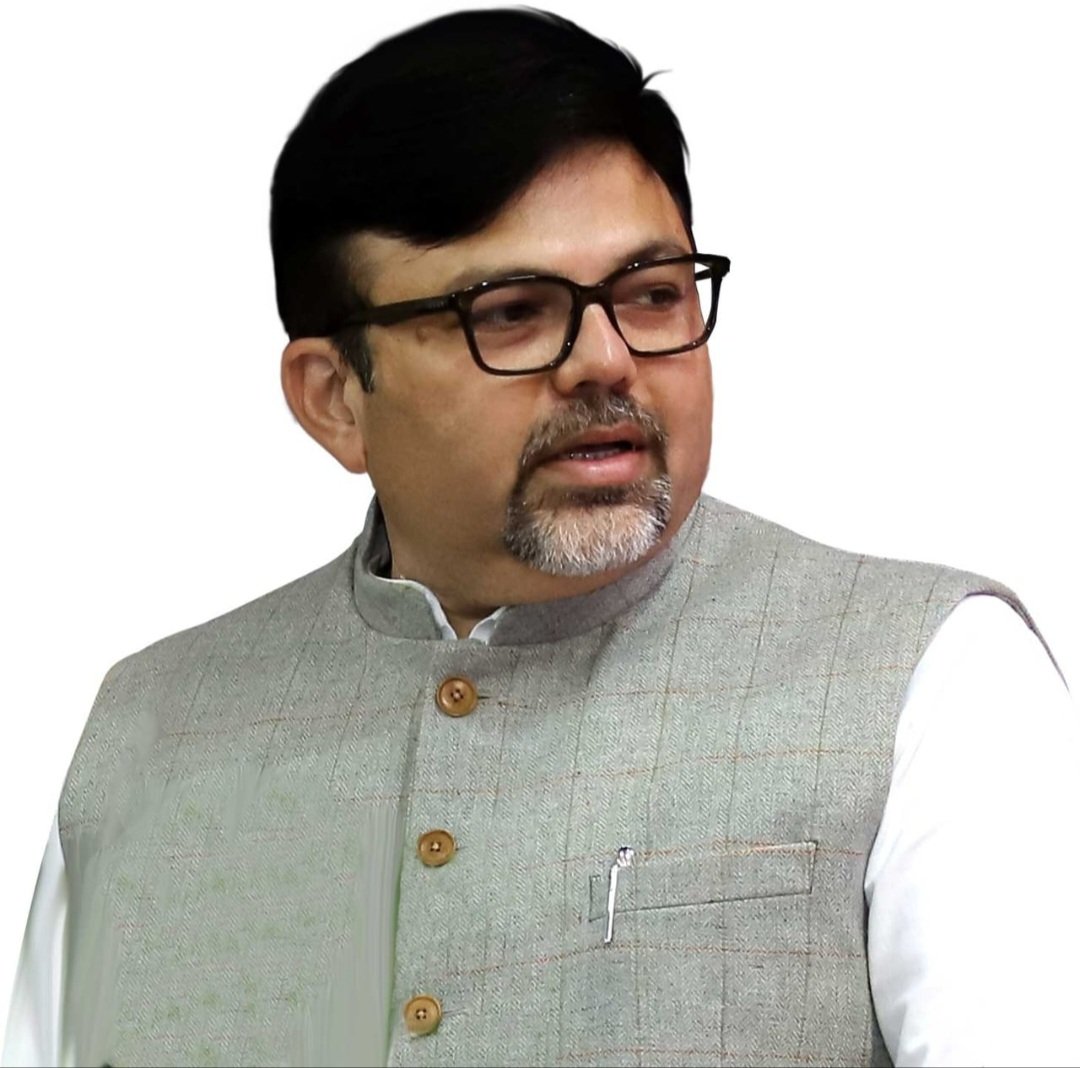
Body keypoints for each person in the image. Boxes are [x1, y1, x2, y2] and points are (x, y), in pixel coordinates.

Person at [3, 8, 1077, 1067]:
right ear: (335, 398)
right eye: (511, 312)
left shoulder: (929, 678)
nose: (607, 359)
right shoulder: (147, 732)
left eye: (652, 295)